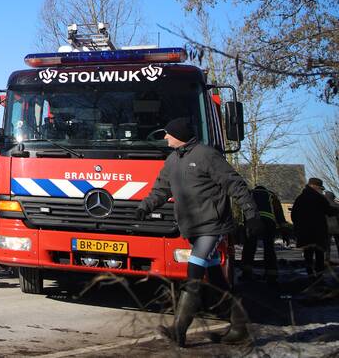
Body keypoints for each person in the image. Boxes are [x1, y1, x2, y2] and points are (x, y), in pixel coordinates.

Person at [135, 118, 260, 347]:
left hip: (212, 226)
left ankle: (179, 330)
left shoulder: (206, 155)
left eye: (167, 134)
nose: (164, 138)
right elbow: (161, 189)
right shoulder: (173, 160)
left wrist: (251, 213)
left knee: (193, 275)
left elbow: (234, 184)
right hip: (191, 228)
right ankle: (240, 327)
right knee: (216, 280)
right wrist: (145, 207)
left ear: (179, 135)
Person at [290, 178, 338, 280]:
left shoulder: (300, 198)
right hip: (318, 232)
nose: (321, 190)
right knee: (319, 254)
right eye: (320, 188)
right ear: (315, 186)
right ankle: (319, 276)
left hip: (304, 232)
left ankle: (310, 274)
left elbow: (293, 215)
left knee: (308, 254)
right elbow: (329, 211)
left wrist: (298, 226)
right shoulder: (319, 198)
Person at [240, 184, 288, 282]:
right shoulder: (271, 195)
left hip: (253, 220)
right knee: (269, 248)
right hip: (269, 223)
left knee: (249, 247)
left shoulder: (250, 194)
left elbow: (244, 210)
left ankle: (247, 273)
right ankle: (271, 274)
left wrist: (244, 227)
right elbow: (279, 214)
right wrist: (285, 232)